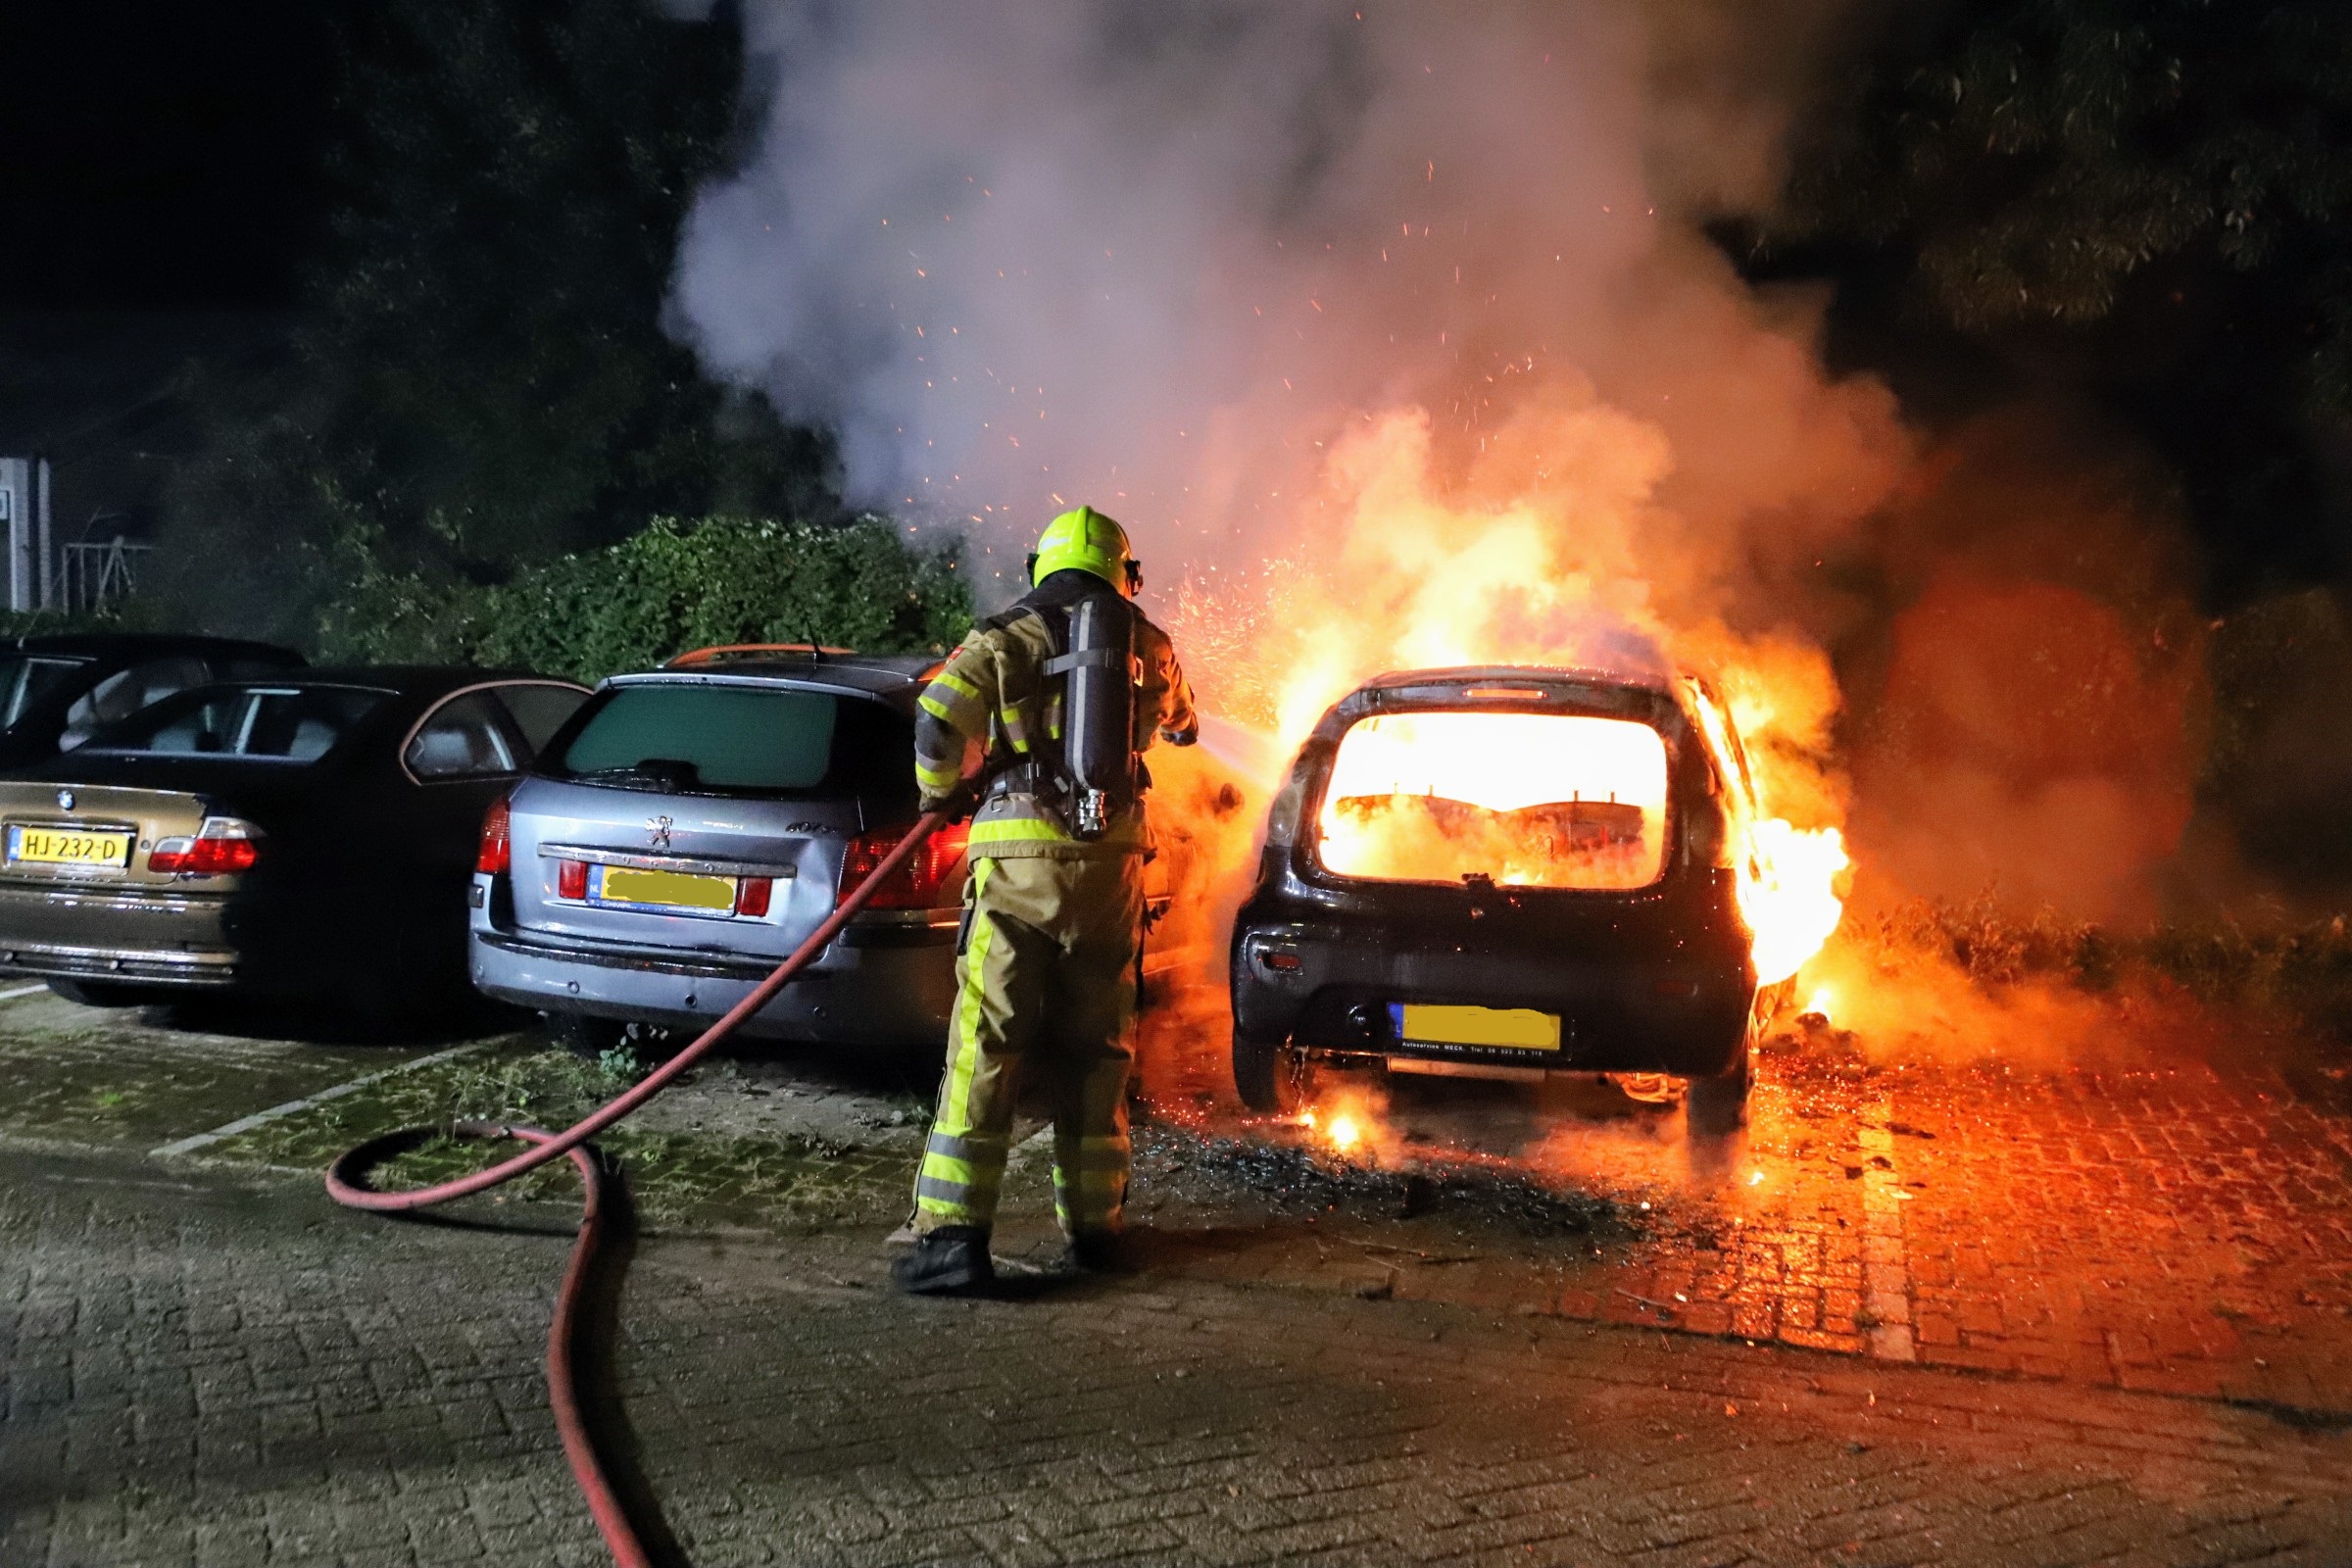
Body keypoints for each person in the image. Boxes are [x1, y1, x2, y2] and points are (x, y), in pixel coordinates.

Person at [893, 504, 1198, 1295]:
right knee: (1099, 1050)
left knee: (987, 1044)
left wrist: (940, 791)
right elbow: (1186, 722)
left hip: (1018, 871)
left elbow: (935, 718)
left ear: (1040, 567)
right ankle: (1097, 1234)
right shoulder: (1149, 644)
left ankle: (951, 1242)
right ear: (1124, 577)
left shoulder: (1004, 636)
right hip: (1110, 876)